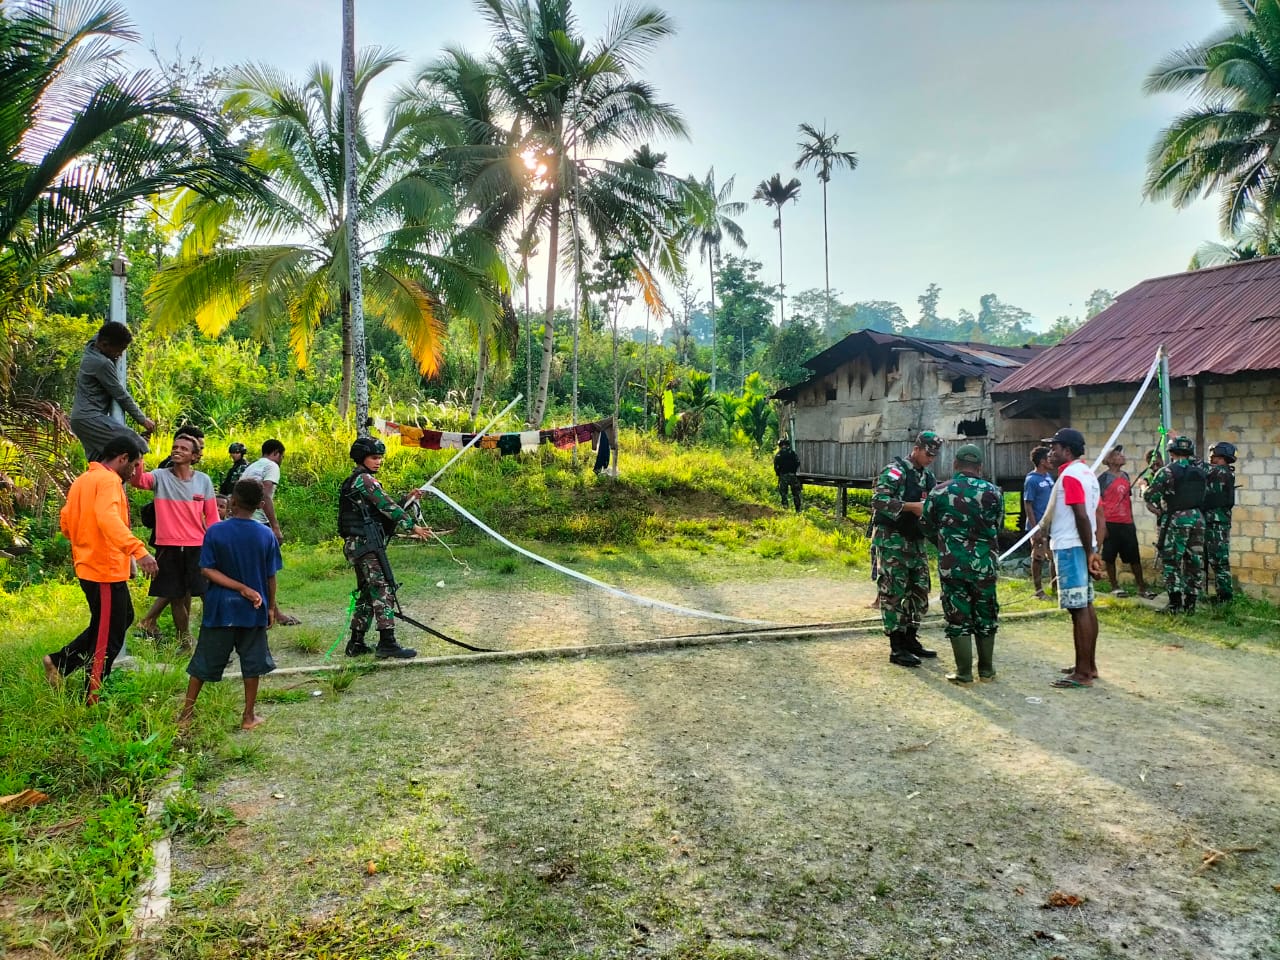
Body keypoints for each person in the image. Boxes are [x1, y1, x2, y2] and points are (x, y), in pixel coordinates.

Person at [42, 436, 159, 696]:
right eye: (136, 465)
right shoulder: (108, 481)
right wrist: (138, 551)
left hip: (93, 566)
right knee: (109, 635)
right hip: (102, 569)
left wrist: (87, 541)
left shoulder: (83, 480)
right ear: (123, 458)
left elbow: (66, 523)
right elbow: (108, 519)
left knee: (120, 619)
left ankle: (60, 662)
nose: (136, 472)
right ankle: (92, 696)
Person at [178, 479, 282, 731]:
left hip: (219, 610)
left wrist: (236, 588)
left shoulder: (215, 531)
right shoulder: (265, 534)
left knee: (202, 663)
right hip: (253, 611)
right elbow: (271, 577)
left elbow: (207, 570)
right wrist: (270, 608)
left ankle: (185, 715)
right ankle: (248, 716)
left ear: (232, 501)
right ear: (259, 505)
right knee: (252, 664)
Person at [339, 437, 434, 659]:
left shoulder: (357, 481)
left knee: (366, 593)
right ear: (362, 458)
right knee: (382, 588)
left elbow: (380, 510)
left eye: (380, 457)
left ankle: (356, 642)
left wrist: (408, 499)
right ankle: (387, 642)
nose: (378, 461)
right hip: (365, 544)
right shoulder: (365, 480)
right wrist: (412, 526)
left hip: (359, 544)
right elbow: (386, 506)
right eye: (374, 457)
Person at [129, 434, 220, 646]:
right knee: (176, 596)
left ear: (195, 456)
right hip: (168, 546)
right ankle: (185, 640)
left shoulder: (203, 480)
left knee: (208, 593)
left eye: (184, 449)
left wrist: (216, 543)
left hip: (197, 545)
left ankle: (214, 639)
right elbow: (138, 480)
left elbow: (213, 516)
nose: (177, 450)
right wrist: (140, 453)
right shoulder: (160, 476)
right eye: (175, 447)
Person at [923, 443, 1002, 683]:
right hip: (984, 564)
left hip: (952, 564)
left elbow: (926, 525)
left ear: (955, 464)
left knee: (958, 616)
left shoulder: (939, 492)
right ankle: (986, 670)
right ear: (980, 467)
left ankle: (964, 672)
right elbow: (997, 526)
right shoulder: (994, 492)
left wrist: (945, 544)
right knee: (985, 614)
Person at [871, 430, 942, 667]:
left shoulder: (928, 478)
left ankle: (911, 638)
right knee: (893, 591)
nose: (930, 458)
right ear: (917, 448)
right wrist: (911, 507)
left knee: (920, 590)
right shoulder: (896, 471)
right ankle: (896, 646)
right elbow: (878, 501)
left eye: (934, 455)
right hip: (893, 540)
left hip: (915, 541)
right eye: (928, 453)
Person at [1042, 428, 1103, 689]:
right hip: (1081, 544)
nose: (1050, 453)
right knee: (1086, 606)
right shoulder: (1088, 474)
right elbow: (1099, 515)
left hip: (1070, 545)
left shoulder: (1070, 476)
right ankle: (1088, 665)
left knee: (1078, 609)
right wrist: (1094, 547)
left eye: (1054, 448)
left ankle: (1082, 673)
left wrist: (1089, 550)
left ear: (1066, 450)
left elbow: (1080, 514)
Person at [68, 321, 156, 462]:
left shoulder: (92, 345)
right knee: (132, 443)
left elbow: (103, 333)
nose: (120, 355)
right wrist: (142, 419)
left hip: (81, 419)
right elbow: (121, 395)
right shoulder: (101, 363)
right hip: (90, 418)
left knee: (102, 461)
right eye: (119, 350)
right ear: (104, 345)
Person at [1143, 435, 1207, 614]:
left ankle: (1174, 604)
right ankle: (1191, 605)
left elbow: (1150, 497)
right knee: (1194, 561)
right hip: (1198, 519)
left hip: (1176, 518)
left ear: (1171, 452)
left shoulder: (1167, 471)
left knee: (1171, 561)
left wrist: (1143, 489)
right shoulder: (1200, 472)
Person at [240, 439, 299, 625]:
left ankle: (269, 609)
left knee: (253, 568)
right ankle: (273, 612)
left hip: (243, 519)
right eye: (282, 456)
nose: (281, 460)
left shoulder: (251, 467)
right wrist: (275, 526)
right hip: (258, 522)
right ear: (276, 453)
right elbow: (265, 494)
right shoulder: (272, 466)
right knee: (268, 570)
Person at [1097, 445, 1154, 599]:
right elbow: (1098, 502)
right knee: (1109, 556)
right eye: (1117, 454)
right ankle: (1114, 586)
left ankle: (1142, 588)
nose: (1122, 456)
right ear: (1109, 460)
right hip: (1110, 522)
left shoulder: (1125, 476)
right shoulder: (1103, 479)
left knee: (1134, 557)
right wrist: (1102, 525)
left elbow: (1126, 501)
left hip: (1126, 522)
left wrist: (1132, 521)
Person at [1203, 441, 1238, 604]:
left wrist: (1179, 443)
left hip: (1218, 523)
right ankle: (1221, 595)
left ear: (1222, 457)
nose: (1211, 459)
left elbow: (1198, 465)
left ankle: (1225, 598)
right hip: (1214, 522)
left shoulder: (1221, 472)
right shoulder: (1221, 472)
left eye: (1214, 456)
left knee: (1219, 560)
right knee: (1215, 560)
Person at [1023, 445, 1056, 600]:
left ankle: (1055, 588)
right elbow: (1028, 504)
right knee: (1038, 557)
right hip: (1038, 525)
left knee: (1053, 556)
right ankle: (1038, 591)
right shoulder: (1032, 479)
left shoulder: (1049, 477)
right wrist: (1035, 528)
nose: (1052, 460)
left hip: (1051, 525)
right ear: (1043, 461)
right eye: (1049, 458)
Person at [773, 437, 802, 512]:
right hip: (793, 476)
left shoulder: (778, 455)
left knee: (783, 493)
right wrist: (793, 471)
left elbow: (776, 467)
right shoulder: (792, 453)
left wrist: (779, 474)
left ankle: (785, 508)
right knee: (796, 493)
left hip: (783, 476)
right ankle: (798, 509)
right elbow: (798, 463)